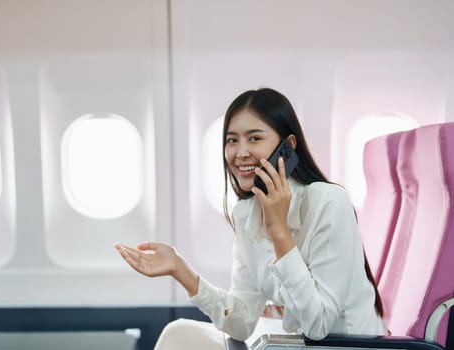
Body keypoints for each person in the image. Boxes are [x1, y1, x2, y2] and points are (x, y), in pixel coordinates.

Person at [115, 88, 386, 349]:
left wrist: (278, 230)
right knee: (179, 333)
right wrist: (181, 270)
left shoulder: (329, 203)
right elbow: (241, 322)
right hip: (294, 344)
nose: (240, 152)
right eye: (232, 140)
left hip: (345, 347)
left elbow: (319, 325)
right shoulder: (246, 213)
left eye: (254, 138)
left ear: (288, 147)